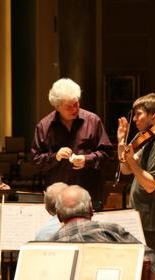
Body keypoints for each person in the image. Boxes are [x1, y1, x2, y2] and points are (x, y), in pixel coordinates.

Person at [31, 78, 113, 206]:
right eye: (69, 107)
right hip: (58, 197)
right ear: (56, 107)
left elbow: (107, 154)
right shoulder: (44, 126)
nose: (75, 109)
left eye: (76, 104)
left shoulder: (93, 120)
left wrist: (87, 159)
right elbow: (36, 160)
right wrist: (55, 157)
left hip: (89, 191)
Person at [117, 93, 155, 259]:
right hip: (143, 215)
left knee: (151, 267)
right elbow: (126, 169)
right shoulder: (151, 138)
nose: (134, 119)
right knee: (144, 267)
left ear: (153, 115)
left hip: (151, 217)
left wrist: (131, 160)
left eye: (138, 114)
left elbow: (150, 185)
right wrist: (121, 143)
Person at [55, 185, 155, 279]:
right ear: (91, 210)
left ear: (59, 216)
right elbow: (153, 262)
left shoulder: (51, 244)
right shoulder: (110, 230)